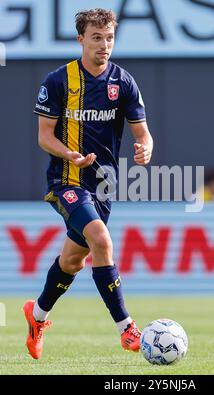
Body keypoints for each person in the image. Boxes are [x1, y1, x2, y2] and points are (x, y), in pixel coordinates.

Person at [23, 8, 153, 360]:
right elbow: (44, 137)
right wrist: (71, 156)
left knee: (72, 261)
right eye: (97, 38)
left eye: (109, 38)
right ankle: (126, 327)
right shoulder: (58, 80)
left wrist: (145, 149)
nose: (104, 45)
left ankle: (36, 317)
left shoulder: (123, 82)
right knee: (100, 240)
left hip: (103, 187)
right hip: (66, 179)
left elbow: (143, 133)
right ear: (81, 39)